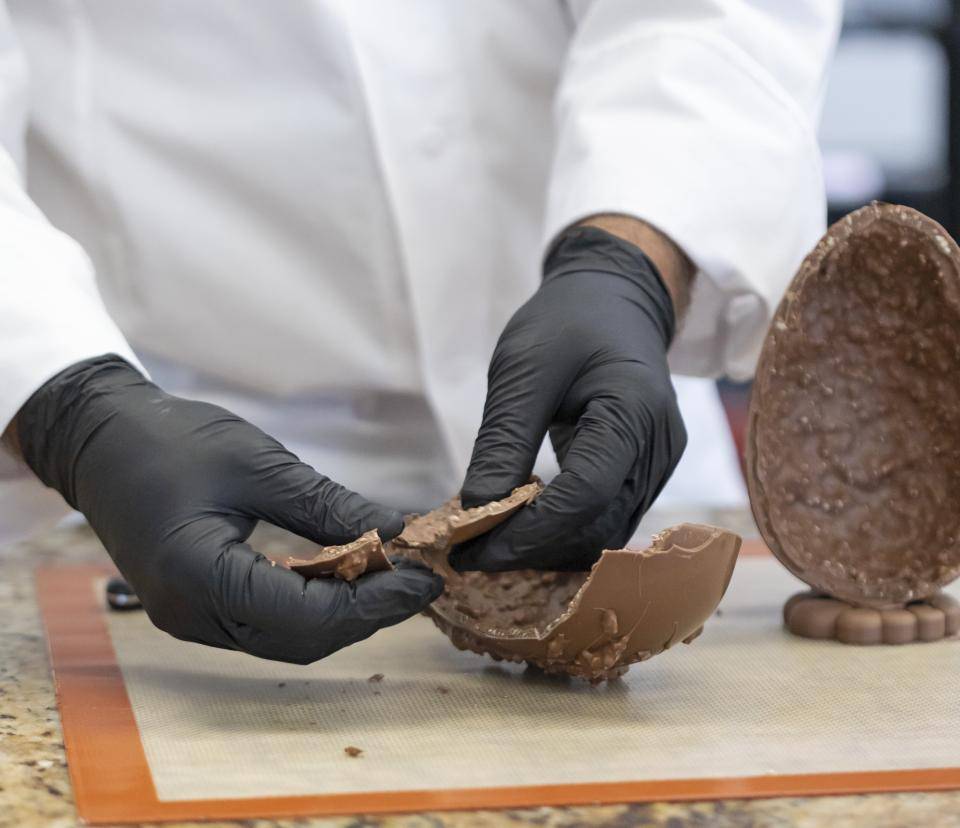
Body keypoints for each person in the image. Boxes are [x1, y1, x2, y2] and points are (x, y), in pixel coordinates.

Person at [0, 2, 840, 663]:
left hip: (614, 426)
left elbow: (712, 17)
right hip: (186, 471)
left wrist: (628, 263)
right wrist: (66, 404)